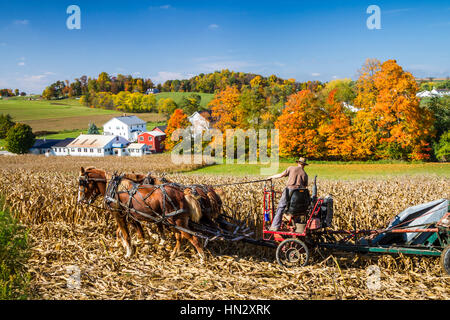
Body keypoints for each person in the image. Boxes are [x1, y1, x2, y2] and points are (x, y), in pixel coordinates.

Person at [267, 157, 309, 231]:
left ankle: (275, 226)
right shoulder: (305, 174)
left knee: (281, 207)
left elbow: (281, 175)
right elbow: (305, 187)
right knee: (297, 210)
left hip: (289, 191)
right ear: (304, 165)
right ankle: (295, 225)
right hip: (298, 196)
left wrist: (271, 177)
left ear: (298, 163)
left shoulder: (291, 168)